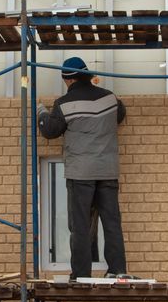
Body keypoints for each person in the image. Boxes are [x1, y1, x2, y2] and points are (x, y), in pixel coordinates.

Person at [37, 55, 129, 279]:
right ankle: (117, 271)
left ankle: (80, 274)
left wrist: (40, 112)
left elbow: (50, 130)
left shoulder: (65, 104)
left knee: (80, 225)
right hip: (107, 171)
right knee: (111, 223)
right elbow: (121, 113)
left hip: (81, 175)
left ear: (68, 80)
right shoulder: (109, 98)